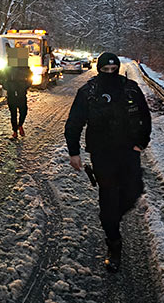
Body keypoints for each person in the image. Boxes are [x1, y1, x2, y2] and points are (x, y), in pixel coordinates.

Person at [64, 52, 151, 272]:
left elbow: (144, 116)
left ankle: (111, 217)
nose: (110, 73)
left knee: (133, 191)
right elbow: (73, 123)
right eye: (106, 70)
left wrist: (142, 142)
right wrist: (74, 152)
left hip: (129, 151)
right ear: (99, 70)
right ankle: (113, 244)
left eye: (114, 70)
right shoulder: (89, 92)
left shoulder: (130, 88)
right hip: (102, 154)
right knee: (109, 200)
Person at [0, 47, 32, 138]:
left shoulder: (25, 67)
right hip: (11, 92)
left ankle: (20, 125)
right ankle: (14, 131)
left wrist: (26, 86)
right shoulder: (7, 67)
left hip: (21, 92)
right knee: (13, 113)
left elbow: (30, 77)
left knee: (23, 111)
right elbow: (1, 77)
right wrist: (5, 85)